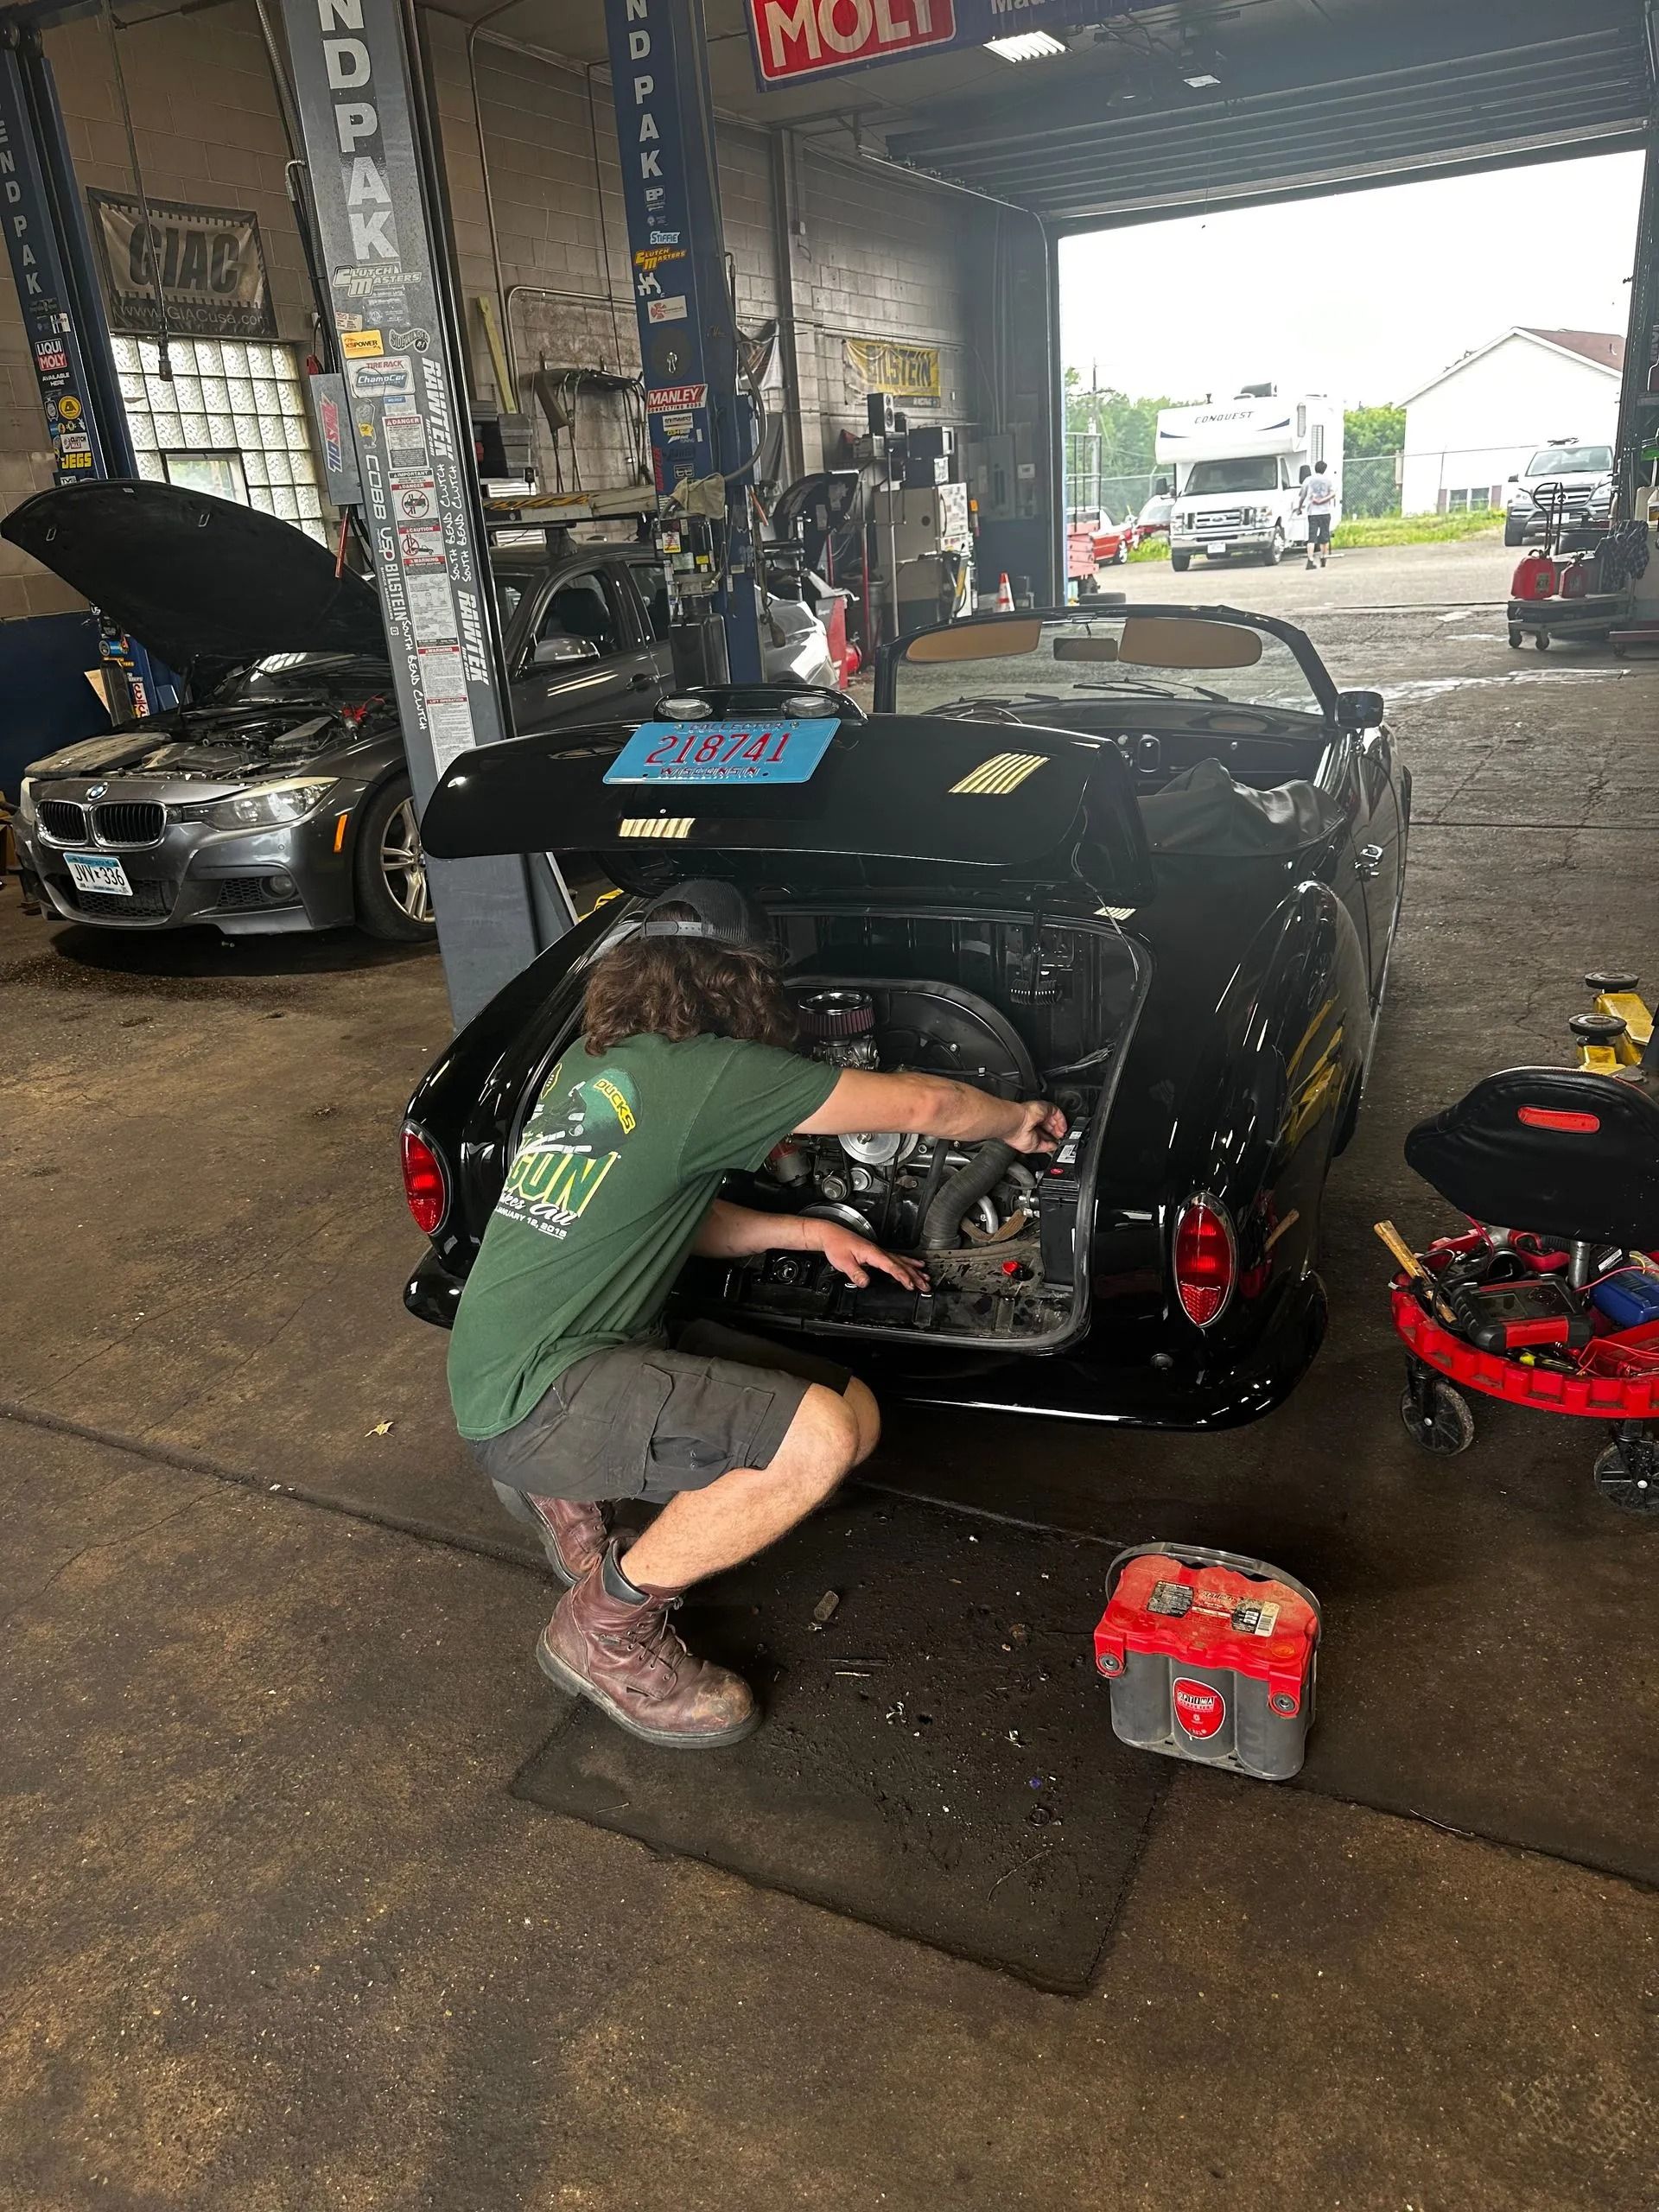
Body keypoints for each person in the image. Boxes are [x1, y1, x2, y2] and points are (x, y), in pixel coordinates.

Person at [446, 880, 1066, 1751]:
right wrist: (1020, 1117)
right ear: (736, 979)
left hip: (509, 1356)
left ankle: (560, 1483)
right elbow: (926, 1108)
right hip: (541, 1393)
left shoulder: (600, 1059)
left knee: (854, 1414)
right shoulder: (714, 1073)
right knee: (816, 1444)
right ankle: (605, 1629)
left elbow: (668, 1213)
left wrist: (811, 1231)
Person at [1300, 460, 1336, 569]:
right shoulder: (1328, 480)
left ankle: (1310, 560)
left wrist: (1299, 507)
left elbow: (1302, 495)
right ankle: (1323, 557)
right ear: (1324, 469)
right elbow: (1333, 493)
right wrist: (1323, 500)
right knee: (1324, 537)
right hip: (1325, 512)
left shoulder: (1308, 480)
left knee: (1312, 538)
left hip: (1312, 512)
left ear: (1315, 468)